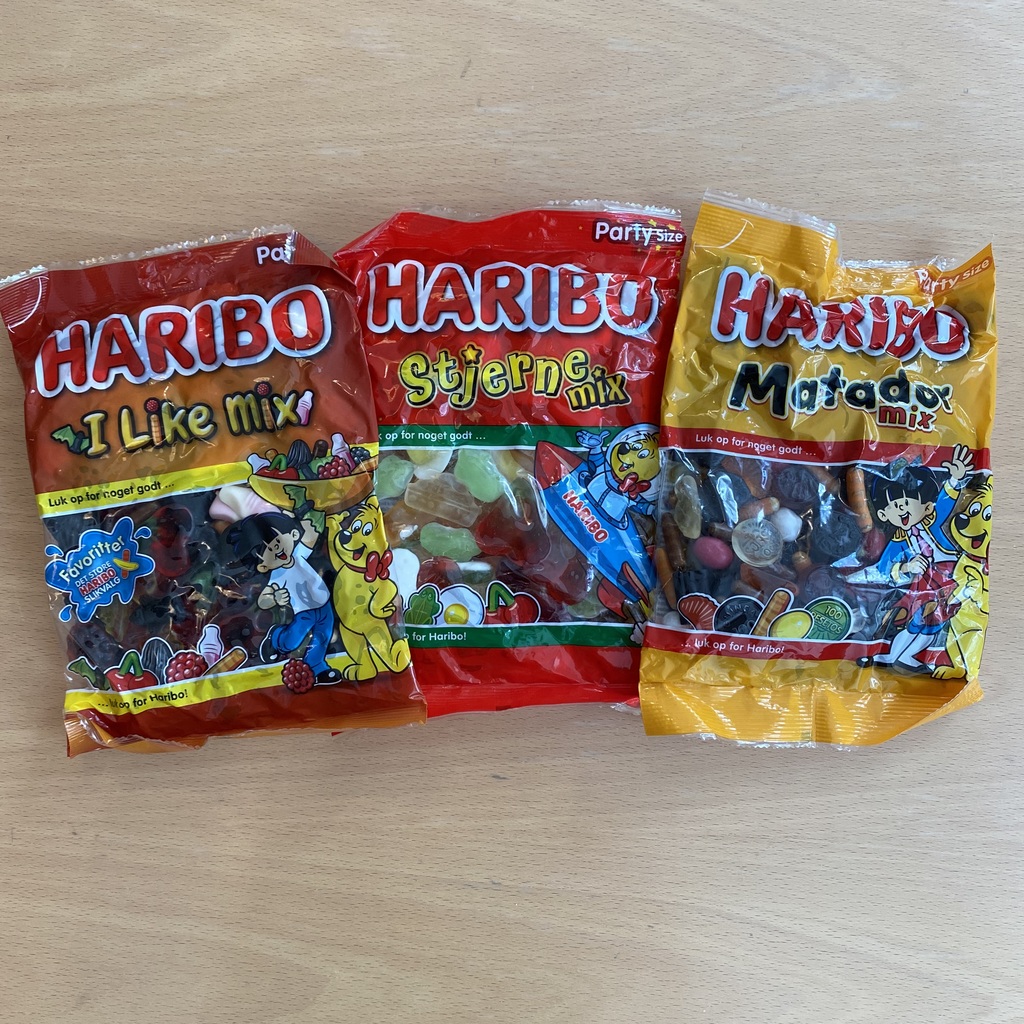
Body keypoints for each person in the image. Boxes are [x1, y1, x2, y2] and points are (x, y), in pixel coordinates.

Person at [227, 510, 341, 686]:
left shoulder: (298, 554)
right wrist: (275, 598)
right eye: (269, 550)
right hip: (304, 612)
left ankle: (318, 668)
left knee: (323, 636)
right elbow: (263, 600)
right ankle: (277, 638)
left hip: (325, 605)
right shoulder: (277, 576)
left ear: (292, 535)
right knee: (292, 642)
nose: (277, 549)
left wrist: (300, 516)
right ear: (263, 566)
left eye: (278, 542)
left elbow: (311, 535)